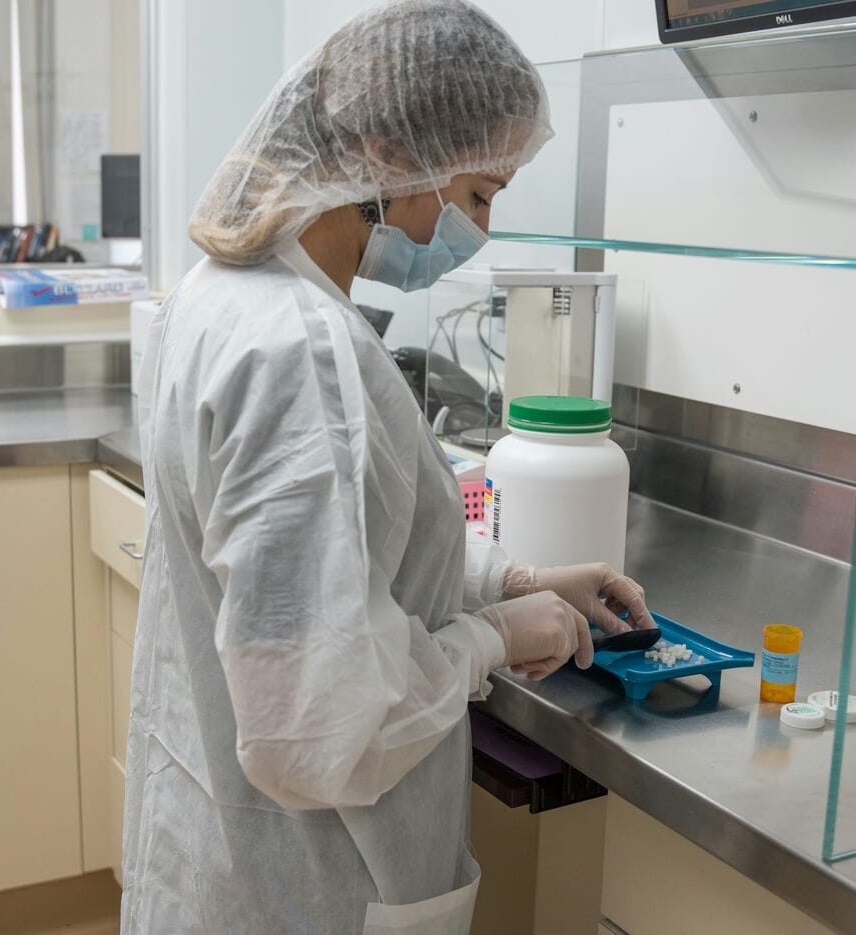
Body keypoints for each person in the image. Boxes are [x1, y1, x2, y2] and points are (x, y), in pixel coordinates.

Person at [122, 2, 653, 932]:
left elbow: (333, 556)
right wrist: (489, 637)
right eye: (479, 194)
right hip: (310, 878)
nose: (479, 233)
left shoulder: (227, 293)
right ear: (385, 154)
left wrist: (509, 578)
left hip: (227, 854)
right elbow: (322, 733)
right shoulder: (300, 356)